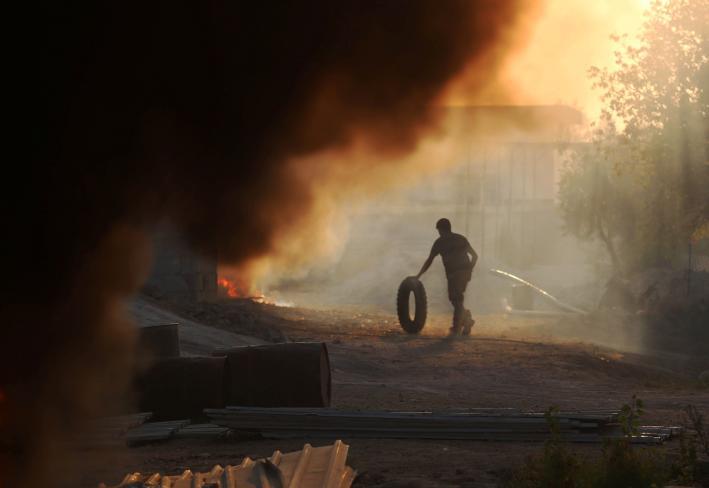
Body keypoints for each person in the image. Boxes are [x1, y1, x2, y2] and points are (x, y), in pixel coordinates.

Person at [416, 218, 477, 336]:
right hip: (463, 273)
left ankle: (457, 327)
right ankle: (466, 320)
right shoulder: (460, 239)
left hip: (454, 274)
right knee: (456, 299)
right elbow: (475, 256)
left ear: (441, 230)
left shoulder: (440, 242)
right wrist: (469, 270)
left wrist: (419, 275)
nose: (438, 233)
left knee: (456, 299)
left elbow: (429, 261)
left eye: (439, 230)